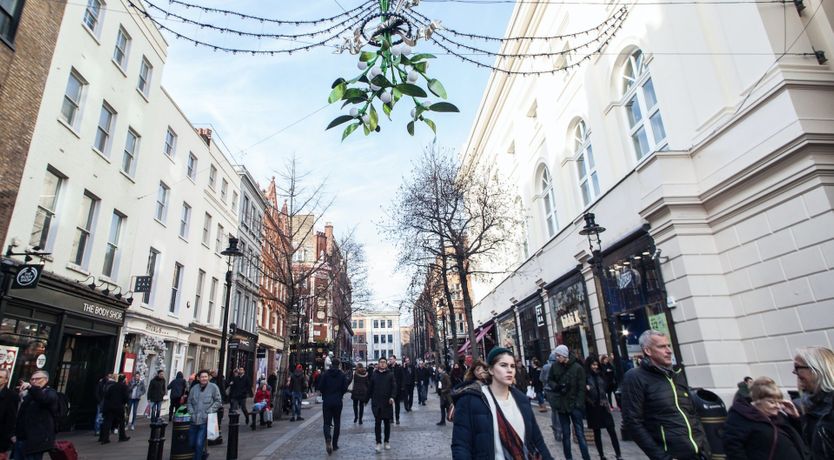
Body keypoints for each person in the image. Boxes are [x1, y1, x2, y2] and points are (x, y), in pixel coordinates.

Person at [621, 330, 710, 460]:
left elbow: (691, 412)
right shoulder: (635, 377)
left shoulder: (676, 374)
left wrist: (703, 445)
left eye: (668, 346)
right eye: (662, 347)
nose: (669, 351)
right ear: (648, 351)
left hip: (698, 453)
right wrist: (661, 457)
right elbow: (632, 421)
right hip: (671, 454)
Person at [451, 347, 553, 459]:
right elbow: (461, 446)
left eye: (512, 366)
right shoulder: (469, 400)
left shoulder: (522, 400)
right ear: (490, 370)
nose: (509, 370)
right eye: (503, 365)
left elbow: (538, 441)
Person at [723, 376, 807, 460]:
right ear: (757, 400)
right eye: (772, 402)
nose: (778, 406)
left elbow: (800, 438)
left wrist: (794, 417)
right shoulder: (741, 417)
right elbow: (733, 450)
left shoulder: (779, 416)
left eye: (779, 402)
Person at [547, 345, 591, 460]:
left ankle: (586, 457)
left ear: (564, 355)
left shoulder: (577, 368)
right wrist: (557, 387)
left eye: (558, 356)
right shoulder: (555, 366)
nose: (557, 358)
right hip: (562, 405)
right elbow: (550, 380)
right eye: (556, 356)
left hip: (575, 405)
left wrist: (578, 404)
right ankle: (568, 458)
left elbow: (582, 388)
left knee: (580, 434)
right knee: (566, 434)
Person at [794, 346, 834, 459]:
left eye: (797, 367)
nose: (794, 372)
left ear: (817, 369)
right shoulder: (808, 405)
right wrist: (795, 420)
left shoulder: (829, 410)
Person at [13, 370, 58, 460]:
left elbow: (43, 399)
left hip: (36, 440)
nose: (34, 381)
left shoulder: (50, 392)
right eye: (32, 379)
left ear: (46, 380)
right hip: (21, 438)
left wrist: (31, 388)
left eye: (37, 379)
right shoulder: (30, 394)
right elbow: (21, 414)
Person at [585, 356, 622, 460]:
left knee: (611, 430)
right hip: (593, 407)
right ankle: (601, 455)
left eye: (596, 364)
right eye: (593, 365)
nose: (595, 367)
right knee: (597, 433)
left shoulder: (601, 374)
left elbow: (606, 386)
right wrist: (586, 390)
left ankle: (618, 454)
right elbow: (584, 393)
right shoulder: (586, 377)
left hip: (604, 405)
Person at [187, 370, 221, 460]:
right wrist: (191, 412)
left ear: (208, 377)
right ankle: (202, 453)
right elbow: (189, 402)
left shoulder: (213, 387)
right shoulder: (194, 388)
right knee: (191, 443)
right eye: (202, 377)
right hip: (194, 421)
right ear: (198, 378)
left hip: (205, 421)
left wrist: (209, 411)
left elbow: (218, 401)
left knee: (199, 443)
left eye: (206, 377)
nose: (204, 379)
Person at [318, 358, 348, 455]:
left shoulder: (325, 374)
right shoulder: (342, 375)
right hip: (338, 401)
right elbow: (345, 388)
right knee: (337, 422)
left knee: (326, 423)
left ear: (331, 364)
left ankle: (328, 438)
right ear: (339, 365)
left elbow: (320, 387)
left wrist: (325, 393)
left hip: (327, 401)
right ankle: (334, 444)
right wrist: (340, 394)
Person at [368, 356, 397, 453]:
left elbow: (394, 387)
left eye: (384, 362)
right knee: (377, 423)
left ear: (386, 364)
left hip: (387, 403)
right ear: (378, 363)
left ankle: (386, 441)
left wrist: (392, 397)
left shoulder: (390, 374)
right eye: (381, 362)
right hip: (377, 403)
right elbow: (370, 388)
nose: (382, 364)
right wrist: (366, 399)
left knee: (387, 423)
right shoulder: (374, 375)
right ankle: (378, 442)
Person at [100, 374, 130, 444]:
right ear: (124, 380)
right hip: (119, 406)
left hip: (110, 406)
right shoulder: (124, 387)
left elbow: (107, 396)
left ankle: (105, 438)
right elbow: (126, 397)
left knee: (108, 422)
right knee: (121, 422)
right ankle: (122, 437)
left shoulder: (112, 386)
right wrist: (125, 403)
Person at [542, 350, 563, 442]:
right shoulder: (557, 366)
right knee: (558, 411)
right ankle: (559, 430)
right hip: (556, 391)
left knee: (554, 411)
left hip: (548, 391)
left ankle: (556, 429)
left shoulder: (545, 367)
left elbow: (542, 378)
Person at [0, 369, 18, 459]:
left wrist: (3, 447)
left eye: (0, 377)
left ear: (6, 380)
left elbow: (10, 422)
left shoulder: (12, 396)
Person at [388, 355, 403, 424]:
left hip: (397, 389)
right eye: (390, 359)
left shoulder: (399, 368)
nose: (390, 360)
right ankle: (391, 418)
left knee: (397, 405)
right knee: (390, 404)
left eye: (391, 359)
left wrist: (402, 387)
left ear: (395, 360)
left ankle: (397, 418)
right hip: (389, 389)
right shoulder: (388, 368)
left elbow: (402, 377)